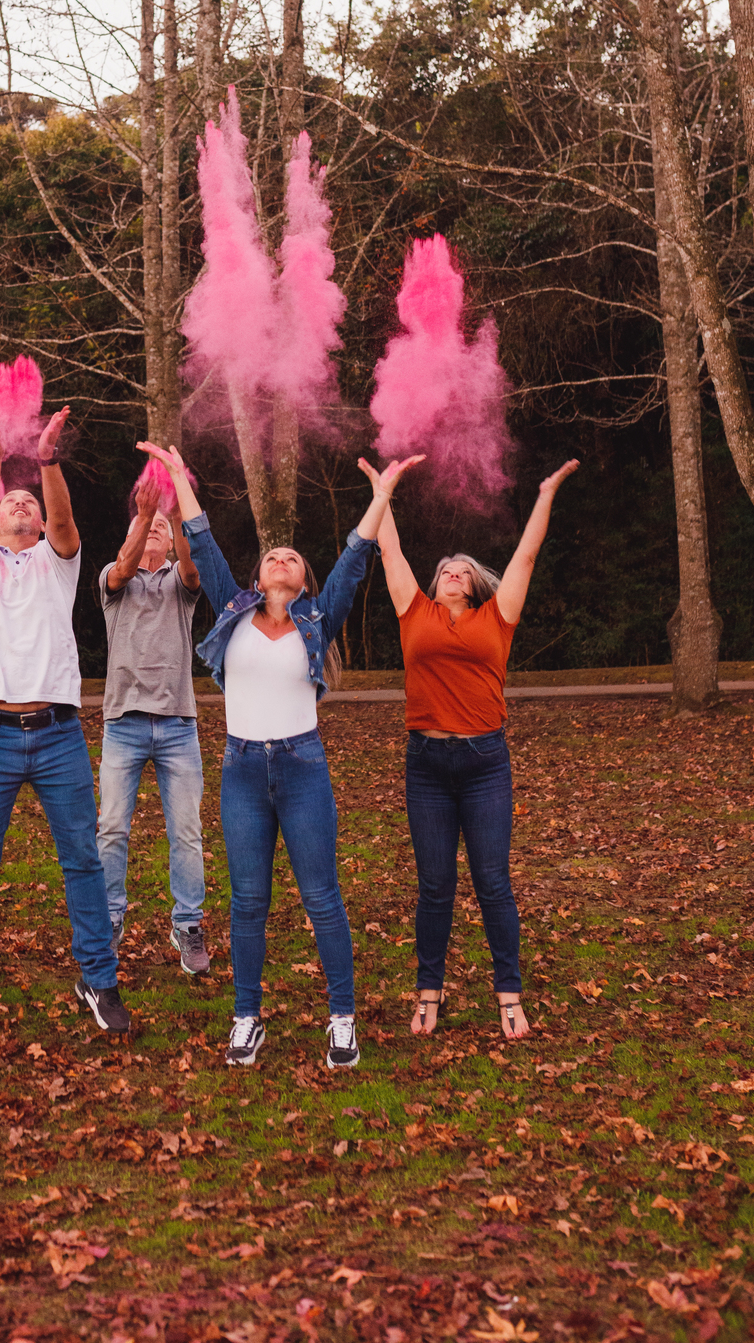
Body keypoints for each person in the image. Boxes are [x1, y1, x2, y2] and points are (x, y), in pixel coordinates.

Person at [138, 441, 390, 1071]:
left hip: (303, 769)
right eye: (272, 556)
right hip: (243, 770)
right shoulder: (232, 609)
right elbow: (202, 537)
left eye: (293, 557)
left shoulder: (318, 618)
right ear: (257, 578)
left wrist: (381, 498)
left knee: (322, 897)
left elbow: (354, 563)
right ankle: (246, 1017)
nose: (281, 559)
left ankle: (341, 1018)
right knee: (248, 901)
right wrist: (175, 473)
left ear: (302, 581)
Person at [358, 453, 580, 1043]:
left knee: (493, 883)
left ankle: (508, 994)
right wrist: (384, 494)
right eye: (445, 569)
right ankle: (428, 991)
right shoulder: (416, 612)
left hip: (485, 764)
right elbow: (390, 553)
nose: (453, 572)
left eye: (462, 569)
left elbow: (526, 556)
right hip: (426, 764)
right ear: (435, 585)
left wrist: (545, 494)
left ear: (476, 581)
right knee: (434, 885)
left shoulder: (497, 616)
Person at [0, 406, 129, 1039]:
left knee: (82, 859)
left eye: (29, 501)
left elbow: (66, 522)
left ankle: (98, 981)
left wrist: (46, 463)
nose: (22, 506)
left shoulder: (59, 563)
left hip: (57, 737)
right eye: (11, 501)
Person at [97, 470, 206, 974]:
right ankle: (109, 920)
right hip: (123, 724)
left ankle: (188, 924)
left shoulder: (181, 585)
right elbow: (121, 567)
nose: (157, 528)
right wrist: (144, 516)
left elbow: (190, 567)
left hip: (178, 726)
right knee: (112, 828)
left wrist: (178, 516)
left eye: (163, 525)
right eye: (149, 524)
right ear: (134, 530)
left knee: (186, 832)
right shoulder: (111, 581)